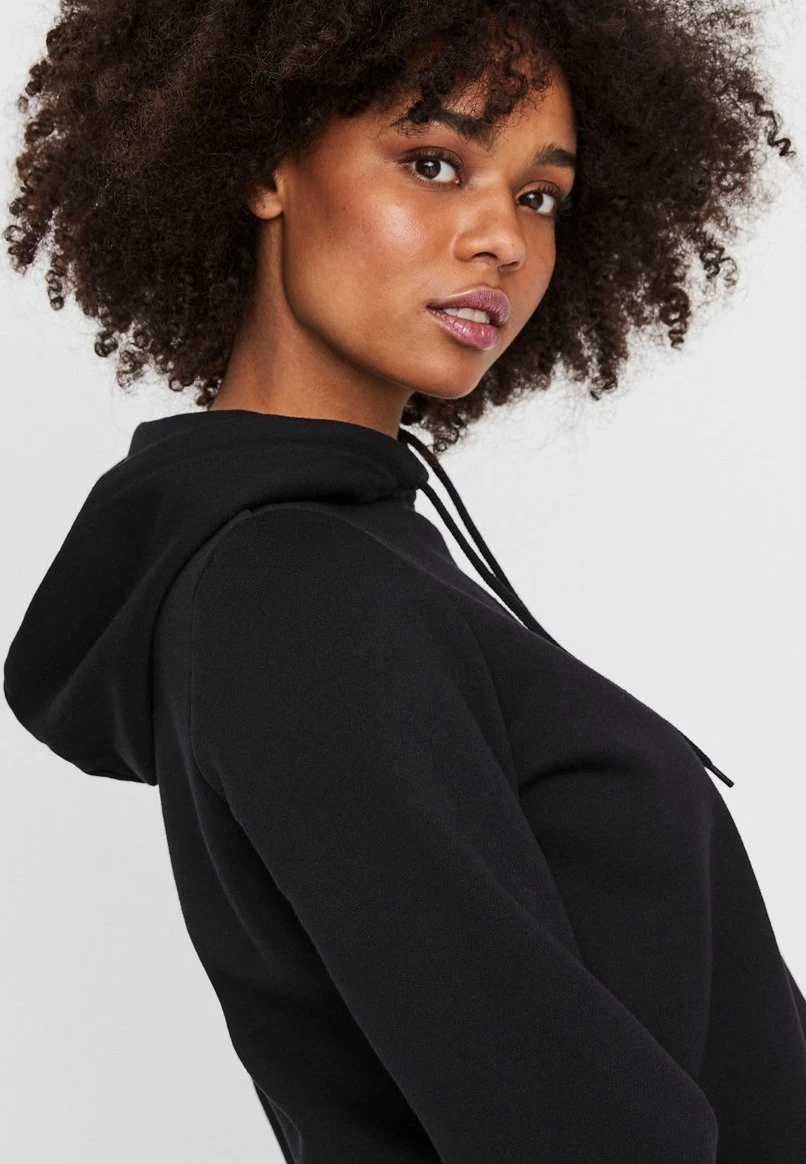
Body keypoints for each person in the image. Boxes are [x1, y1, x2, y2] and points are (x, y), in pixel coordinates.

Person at [3, 2, 805, 1161]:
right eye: (433, 163)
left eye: (540, 196)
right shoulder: (291, 592)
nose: (503, 239)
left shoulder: (353, 563)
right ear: (264, 165)